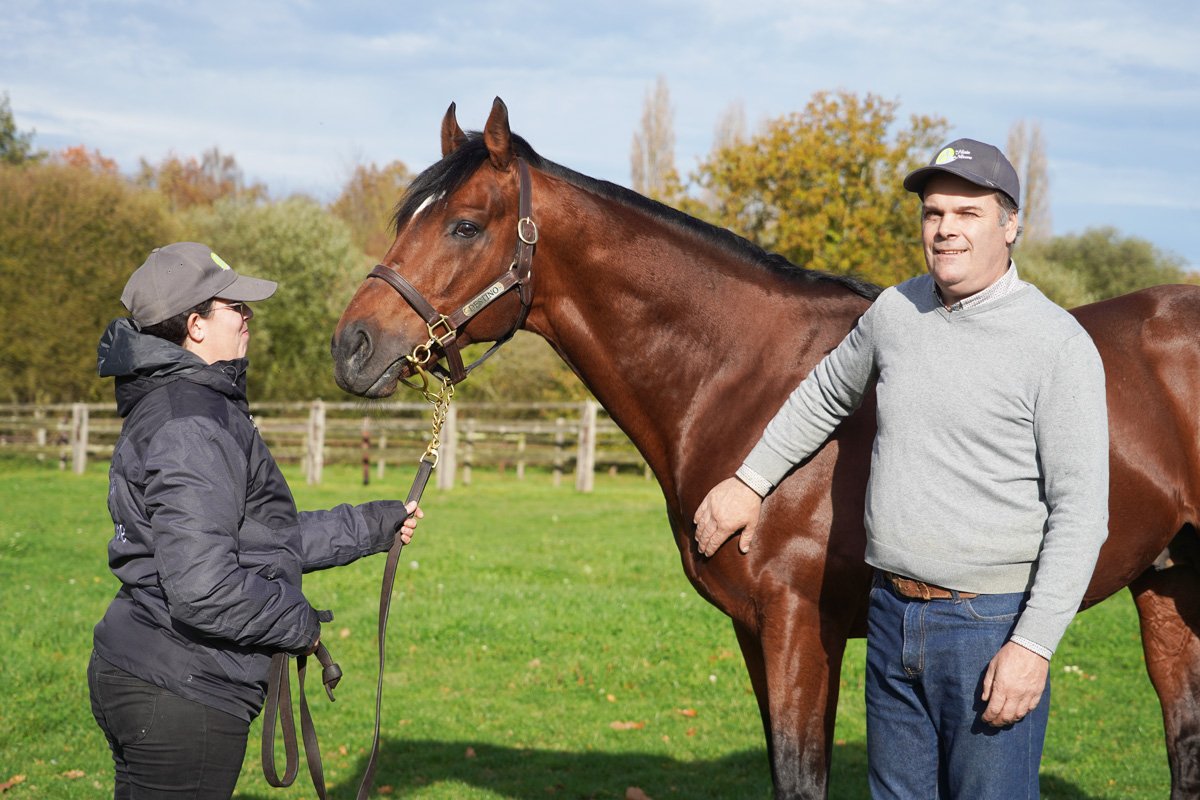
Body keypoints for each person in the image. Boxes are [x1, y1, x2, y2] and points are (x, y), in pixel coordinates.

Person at [693, 139, 1109, 798]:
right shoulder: (895, 312)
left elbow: (1081, 512)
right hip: (891, 614)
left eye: (968, 213)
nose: (945, 228)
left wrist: (1032, 647)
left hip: (987, 626)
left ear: (1010, 226)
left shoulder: (1056, 344)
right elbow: (825, 393)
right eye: (933, 213)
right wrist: (751, 480)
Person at [90, 242, 424, 798]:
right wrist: (299, 624)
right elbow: (204, 587)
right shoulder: (193, 423)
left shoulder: (188, 405)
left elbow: (257, 540)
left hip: (153, 670)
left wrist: (374, 525)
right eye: (234, 306)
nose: (248, 316)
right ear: (195, 325)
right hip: (183, 688)